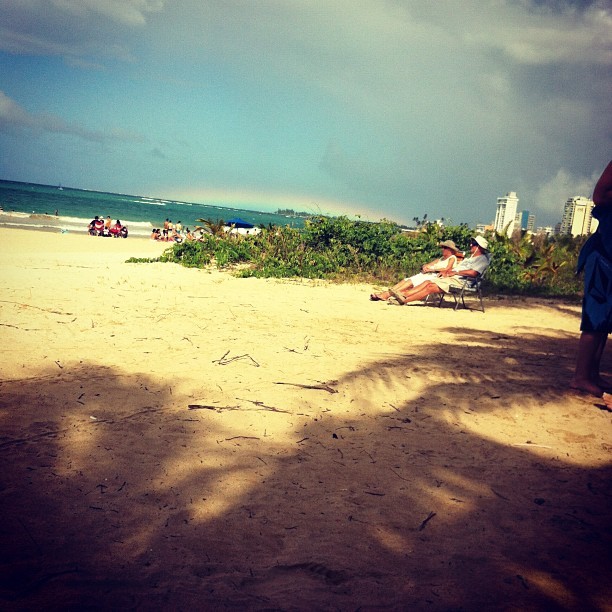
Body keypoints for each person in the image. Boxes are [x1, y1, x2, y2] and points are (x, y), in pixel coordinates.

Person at [570, 160, 612, 401]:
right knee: (594, 319)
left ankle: (592, 374)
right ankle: (580, 377)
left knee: (605, 321)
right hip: (603, 255)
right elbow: (599, 195)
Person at [389, 236, 490, 305]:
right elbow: (454, 269)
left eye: (474, 243)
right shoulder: (469, 259)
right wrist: (446, 272)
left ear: (479, 247)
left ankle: (404, 300)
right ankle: (402, 296)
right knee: (427, 282)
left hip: (462, 281)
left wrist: (454, 272)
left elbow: (474, 273)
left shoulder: (482, 259)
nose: (471, 245)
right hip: (453, 277)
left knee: (430, 287)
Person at [371, 240, 462, 301]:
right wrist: (426, 267)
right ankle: (387, 293)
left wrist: (433, 269)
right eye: (442, 247)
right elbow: (428, 264)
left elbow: (447, 269)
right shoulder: (441, 258)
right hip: (428, 274)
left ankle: (386, 295)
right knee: (406, 280)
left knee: (409, 282)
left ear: (450, 250)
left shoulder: (452, 258)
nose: (442, 249)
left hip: (434, 277)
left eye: (445, 248)